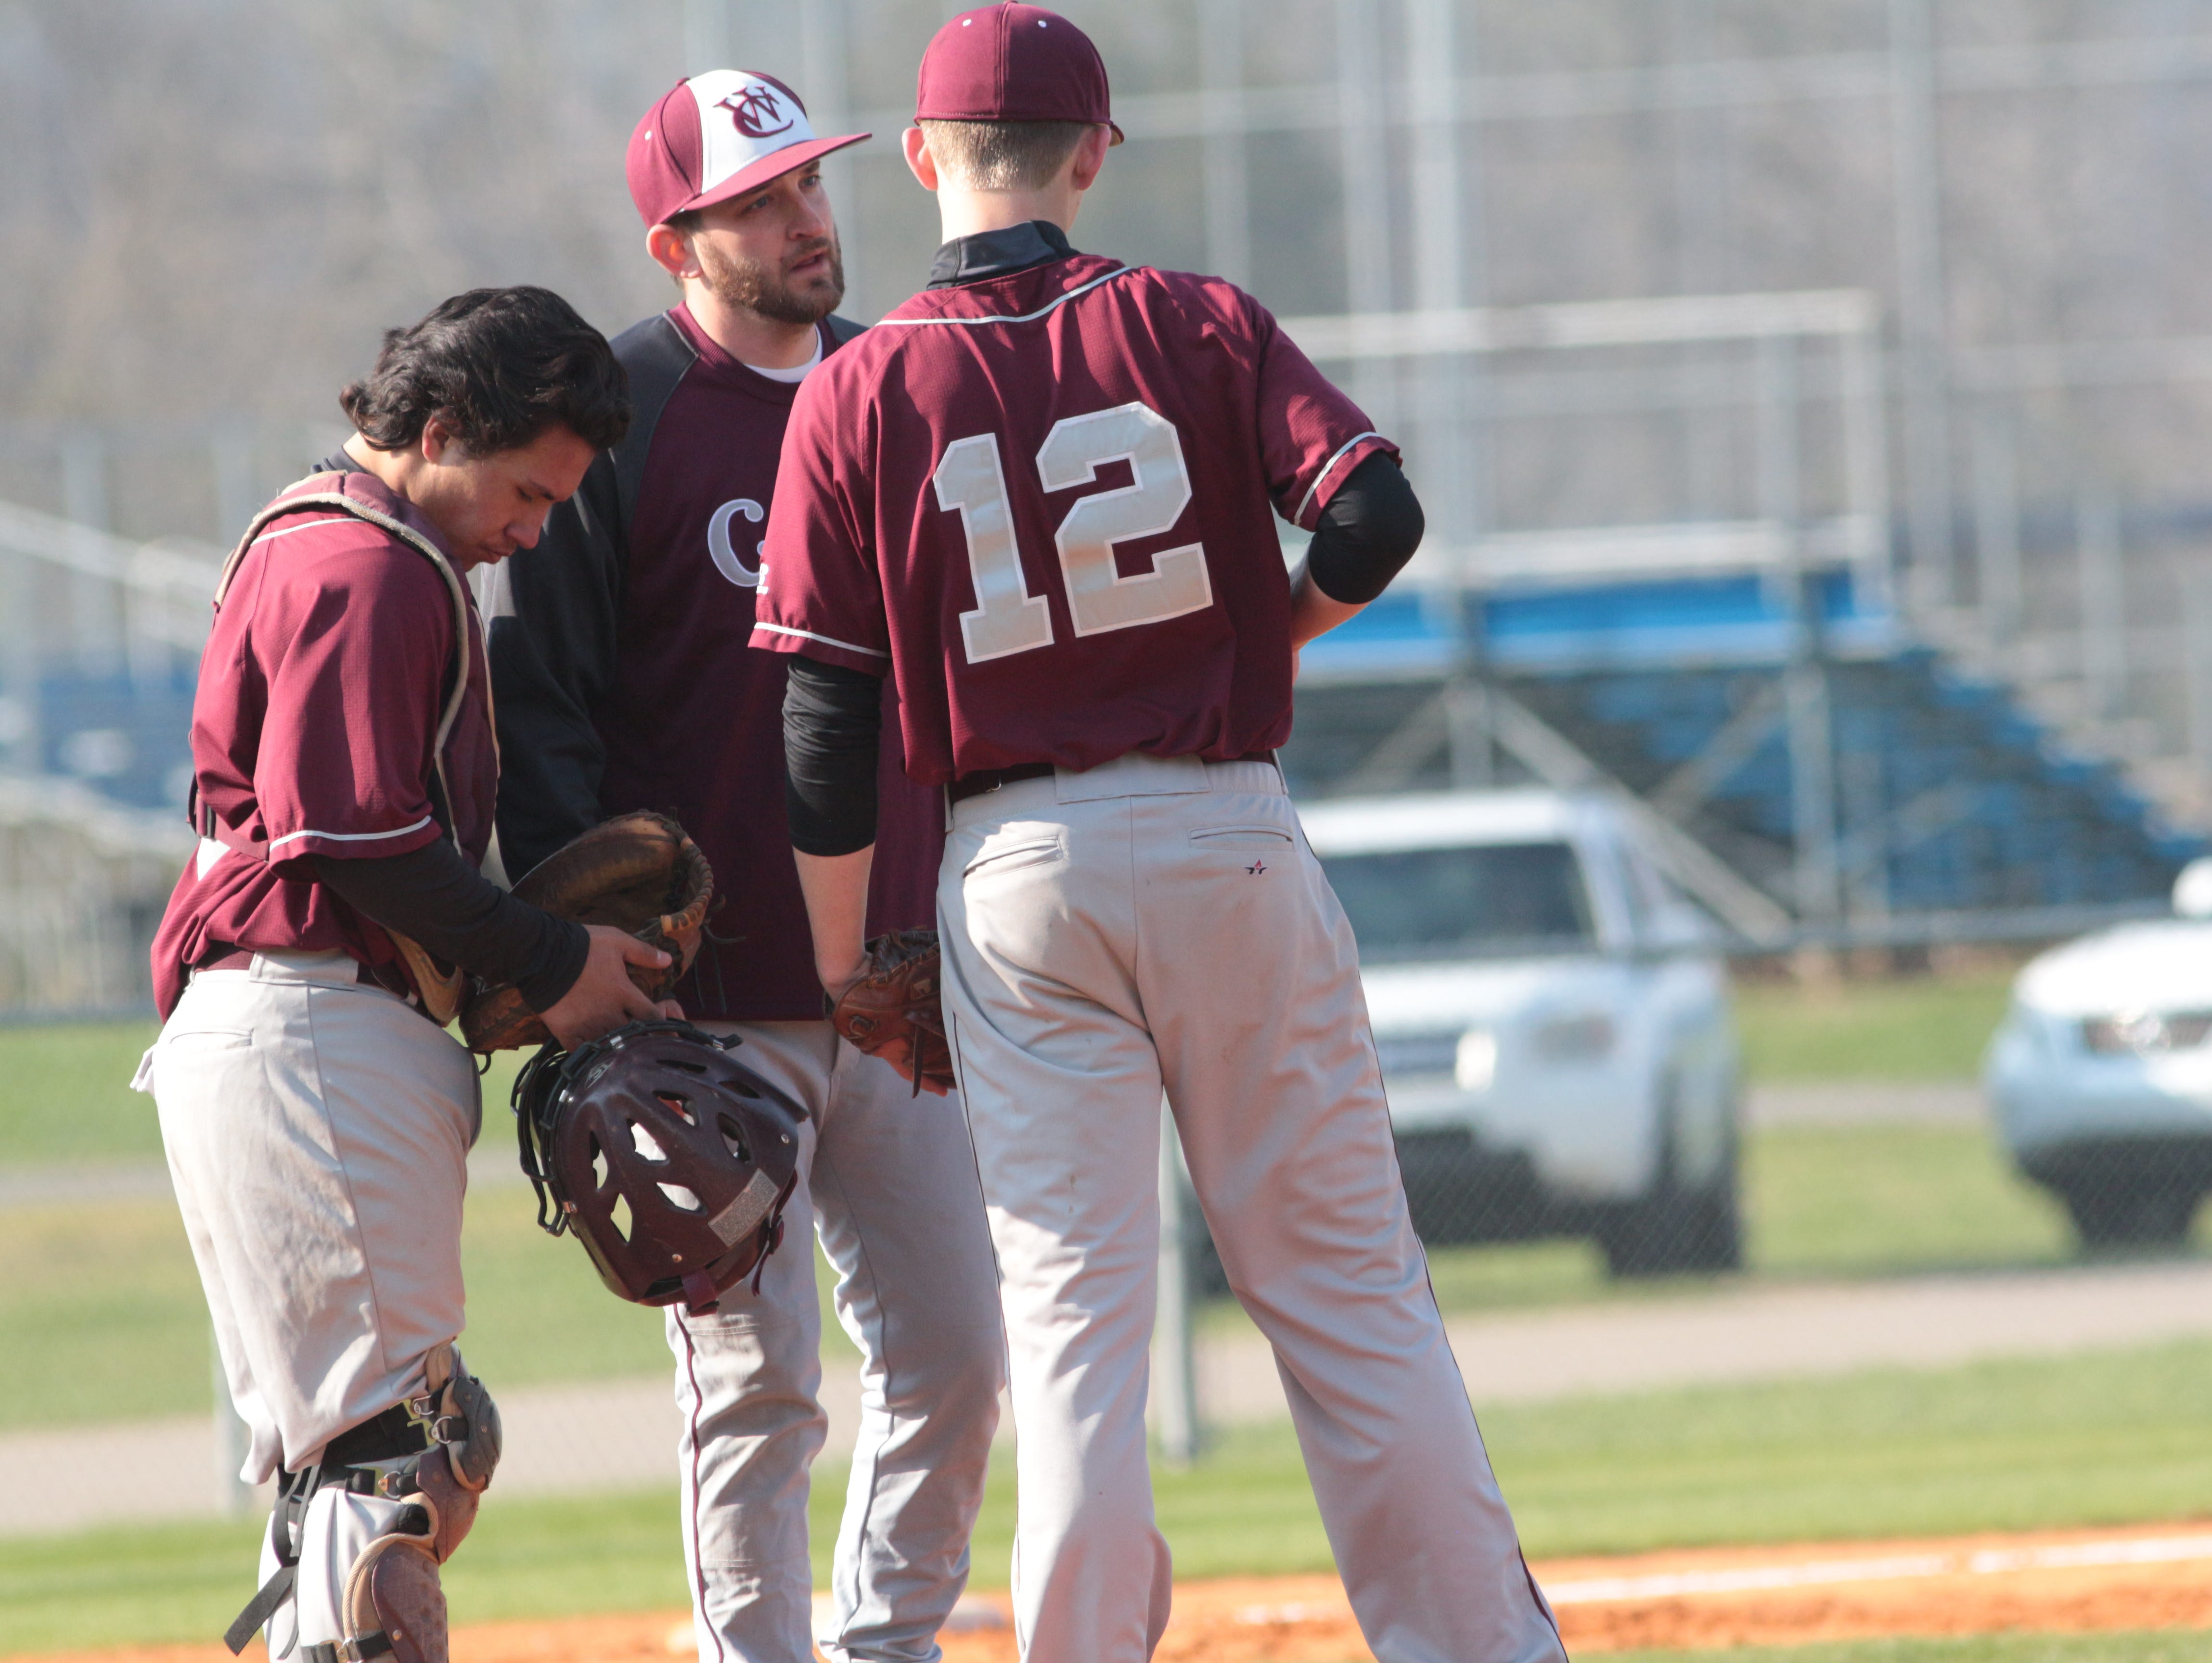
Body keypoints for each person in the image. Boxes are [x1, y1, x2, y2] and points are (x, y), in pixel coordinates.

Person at [752, 8, 1570, 1661]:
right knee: (1346, 1299)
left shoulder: (854, 387)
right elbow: (1374, 511)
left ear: (918, 161)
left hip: (1016, 875)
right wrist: (1258, 640)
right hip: (1222, 833)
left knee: (1070, 1334)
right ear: (1094, 150)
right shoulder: (1195, 321)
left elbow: (823, 730)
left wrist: (846, 966)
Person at [483, 71, 1005, 1663]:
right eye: (760, 200)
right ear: (676, 239)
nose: (805, 220)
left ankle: (889, 1645)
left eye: (812, 187)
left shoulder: (907, 391)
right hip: (709, 1012)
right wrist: (598, 982)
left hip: (902, 992)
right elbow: (548, 711)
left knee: (960, 1359)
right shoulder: (620, 428)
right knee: (757, 1384)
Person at [137, 286, 672, 1663]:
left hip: (303, 1027)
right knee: (397, 1461)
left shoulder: (350, 546)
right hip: (306, 1025)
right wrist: (550, 959)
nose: (532, 530)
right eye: (521, 489)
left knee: (372, 1459)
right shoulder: (362, 567)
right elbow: (351, 834)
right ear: (436, 428)